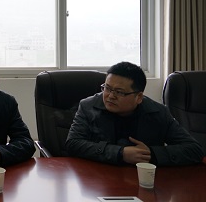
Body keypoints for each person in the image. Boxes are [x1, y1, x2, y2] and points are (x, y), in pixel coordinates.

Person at [66, 61, 204, 166]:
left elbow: (194, 150)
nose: (110, 96)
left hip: (143, 179)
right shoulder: (88, 106)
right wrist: (120, 153)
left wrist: (151, 154)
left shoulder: (158, 112)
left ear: (138, 97)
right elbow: (73, 144)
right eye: (107, 88)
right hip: (99, 177)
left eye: (119, 92)